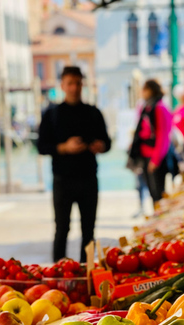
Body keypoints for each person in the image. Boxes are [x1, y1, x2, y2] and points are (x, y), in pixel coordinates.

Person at [37, 66, 111, 263]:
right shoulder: (51, 114)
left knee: (89, 230)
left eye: (78, 83)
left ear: (82, 85)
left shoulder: (93, 113)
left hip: (88, 179)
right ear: (62, 85)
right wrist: (64, 147)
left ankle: (86, 273)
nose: (74, 87)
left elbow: (107, 143)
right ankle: (59, 273)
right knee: (62, 228)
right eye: (70, 83)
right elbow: (42, 146)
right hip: (63, 179)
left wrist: (100, 146)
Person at [129, 79, 173, 204]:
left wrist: (155, 160)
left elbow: (163, 136)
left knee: (158, 193)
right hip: (145, 156)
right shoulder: (147, 107)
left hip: (155, 158)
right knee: (152, 193)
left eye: (144, 89)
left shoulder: (159, 108)